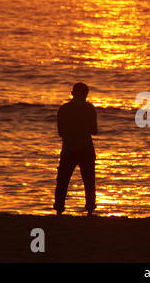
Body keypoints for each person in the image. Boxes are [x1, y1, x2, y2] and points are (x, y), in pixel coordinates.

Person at [54, 82, 98, 216]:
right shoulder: (90, 108)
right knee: (89, 181)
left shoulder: (63, 109)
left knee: (63, 180)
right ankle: (90, 210)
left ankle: (59, 209)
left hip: (68, 149)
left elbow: (60, 132)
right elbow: (94, 131)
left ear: (72, 93)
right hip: (86, 149)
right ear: (86, 94)